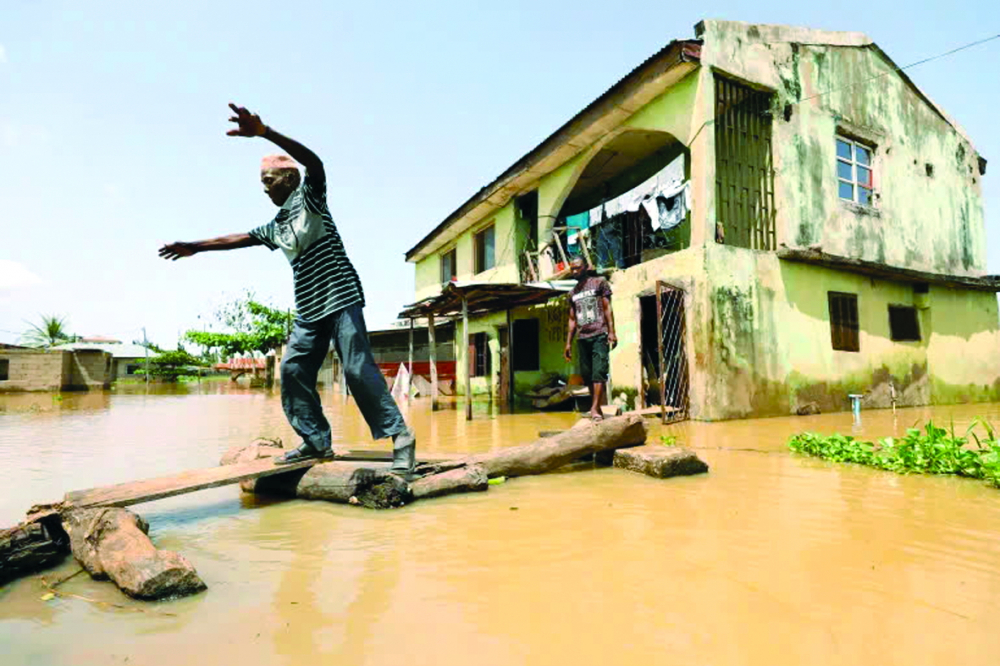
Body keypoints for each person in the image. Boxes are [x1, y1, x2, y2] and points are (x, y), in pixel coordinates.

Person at [158, 104, 416, 475]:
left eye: (269, 181)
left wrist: (265, 132)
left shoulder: (310, 197)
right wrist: (196, 246)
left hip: (340, 294)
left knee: (357, 369)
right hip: (310, 308)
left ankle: (402, 439)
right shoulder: (276, 226)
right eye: (262, 183)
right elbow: (239, 237)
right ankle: (316, 440)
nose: (264, 189)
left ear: (290, 179)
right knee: (293, 370)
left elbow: (315, 162)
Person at [563, 256, 617, 421]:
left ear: (586, 267)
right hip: (582, 337)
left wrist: (612, 332)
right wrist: (568, 344)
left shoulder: (599, 283)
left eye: (577, 268)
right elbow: (572, 320)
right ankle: (597, 408)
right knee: (587, 375)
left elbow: (607, 308)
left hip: (599, 334)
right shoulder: (572, 293)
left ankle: (594, 408)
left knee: (599, 372)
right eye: (572, 268)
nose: (574, 271)